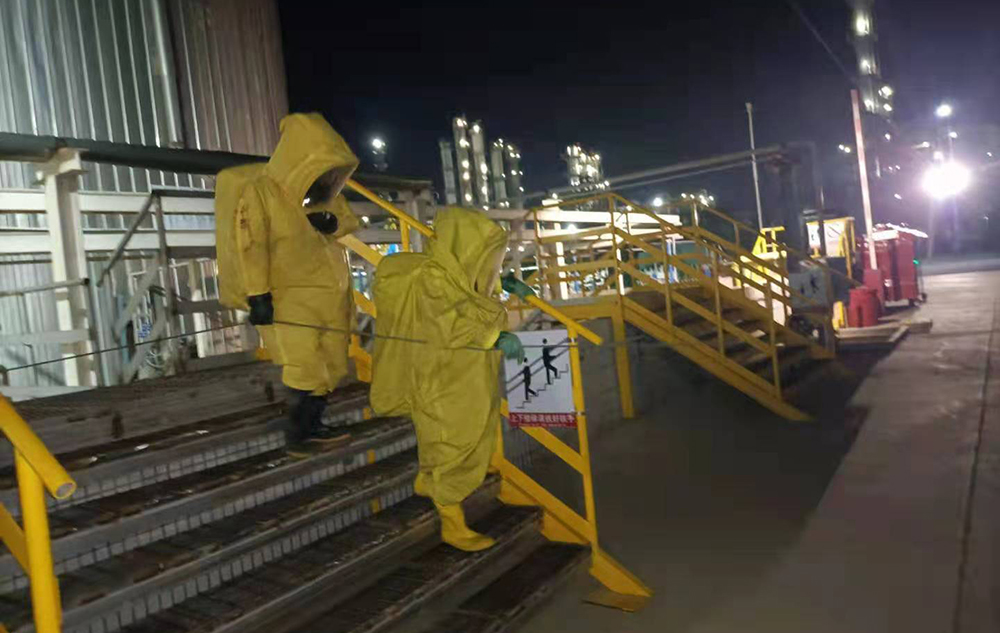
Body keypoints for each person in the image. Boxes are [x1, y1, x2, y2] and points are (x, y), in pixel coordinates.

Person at [370, 207, 533, 552]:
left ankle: (430, 480)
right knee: (450, 442)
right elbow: (449, 323)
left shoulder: (452, 276)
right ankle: (452, 522)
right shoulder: (432, 279)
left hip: (464, 378)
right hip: (441, 380)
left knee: (467, 435)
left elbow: (469, 294)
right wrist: (495, 336)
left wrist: (501, 283)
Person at [215, 113, 360, 452]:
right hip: (291, 297)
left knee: (333, 362)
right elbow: (252, 246)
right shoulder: (261, 193)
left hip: (332, 296)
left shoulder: (324, 192)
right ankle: (299, 432)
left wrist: (332, 223)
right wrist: (258, 295)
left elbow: (350, 221)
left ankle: (313, 422)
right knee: (303, 363)